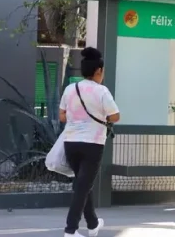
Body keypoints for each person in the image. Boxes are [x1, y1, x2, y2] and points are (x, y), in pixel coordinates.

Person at [59, 47, 120, 237]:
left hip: (71, 143)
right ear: (98, 71)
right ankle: (70, 230)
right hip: (92, 145)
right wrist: (101, 118)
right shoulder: (102, 91)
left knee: (83, 184)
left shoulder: (70, 89)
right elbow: (115, 116)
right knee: (82, 186)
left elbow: (62, 116)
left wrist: (77, 118)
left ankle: (93, 224)